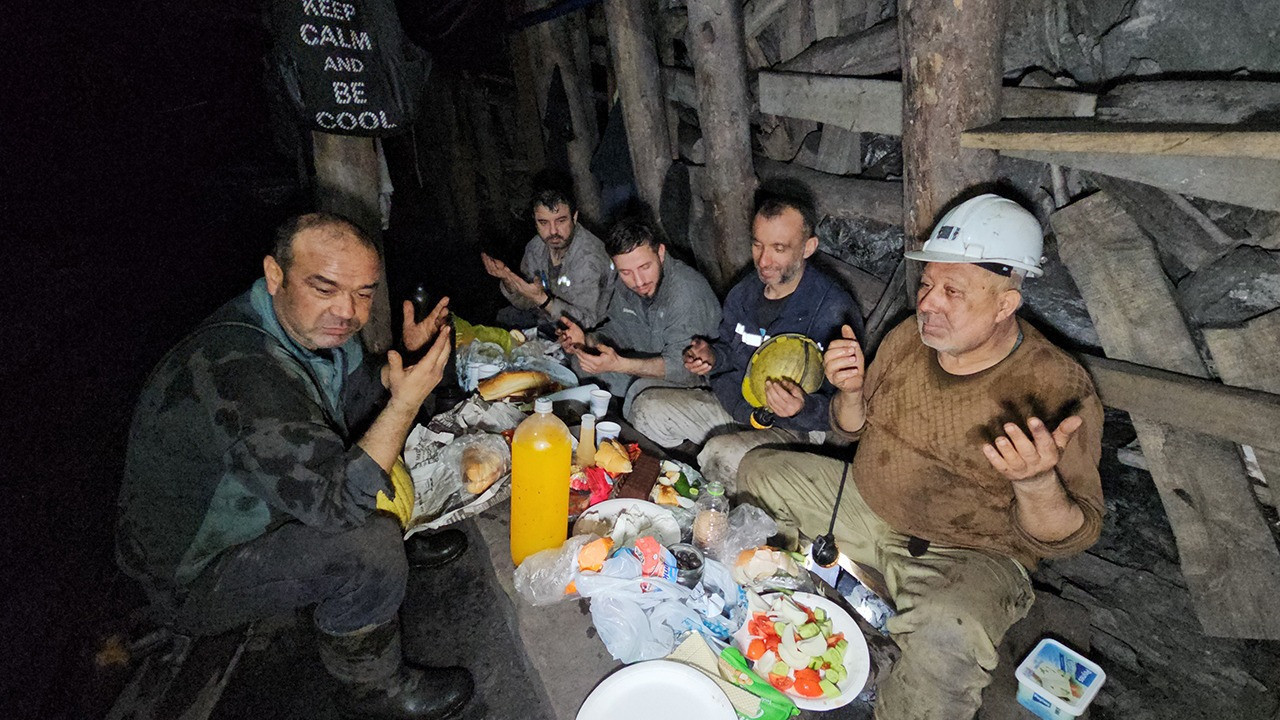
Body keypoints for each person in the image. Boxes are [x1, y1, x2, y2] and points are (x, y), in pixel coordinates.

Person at [739, 194, 1105, 720]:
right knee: (758, 471)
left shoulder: (1057, 385)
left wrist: (1036, 483)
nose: (929, 303)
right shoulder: (909, 338)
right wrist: (850, 391)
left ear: (1005, 305)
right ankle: (785, 614)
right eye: (928, 284)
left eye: (953, 291)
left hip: (971, 552)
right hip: (869, 506)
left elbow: (1071, 536)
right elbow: (850, 428)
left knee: (947, 633)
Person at [116, 213, 474, 720]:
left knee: (382, 459)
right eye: (324, 287)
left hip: (265, 507)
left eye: (364, 293)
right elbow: (338, 508)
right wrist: (404, 404)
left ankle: (398, 542)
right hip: (193, 574)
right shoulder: (242, 372)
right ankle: (375, 690)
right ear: (275, 274)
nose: (347, 311)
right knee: (366, 544)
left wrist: (407, 360)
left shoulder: (307, 330)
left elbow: (356, 394)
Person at [629, 179, 862, 490]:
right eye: (757, 244)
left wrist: (803, 408)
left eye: (779, 248)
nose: (763, 261)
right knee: (645, 409)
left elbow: (845, 408)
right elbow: (729, 352)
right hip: (738, 407)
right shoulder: (744, 292)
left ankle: (727, 499)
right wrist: (712, 356)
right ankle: (676, 486)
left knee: (720, 455)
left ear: (808, 248)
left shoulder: (833, 310)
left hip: (795, 429)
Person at [555, 214, 721, 415]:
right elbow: (618, 329)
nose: (639, 281)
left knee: (640, 391)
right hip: (646, 365)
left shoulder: (685, 290)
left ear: (660, 253)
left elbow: (683, 369)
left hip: (699, 386)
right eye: (626, 272)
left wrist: (620, 365)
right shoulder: (625, 285)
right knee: (581, 364)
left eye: (645, 267)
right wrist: (586, 341)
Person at [481, 171, 612, 331]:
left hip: (590, 333)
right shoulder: (535, 248)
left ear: (574, 217)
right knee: (503, 317)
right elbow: (528, 302)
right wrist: (509, 280)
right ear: (535, 222)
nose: (553, 231)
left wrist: (543, 300)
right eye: (543, 223)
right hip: (549, 322)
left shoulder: (589, 257)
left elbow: (588, 322)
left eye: (561, 221)